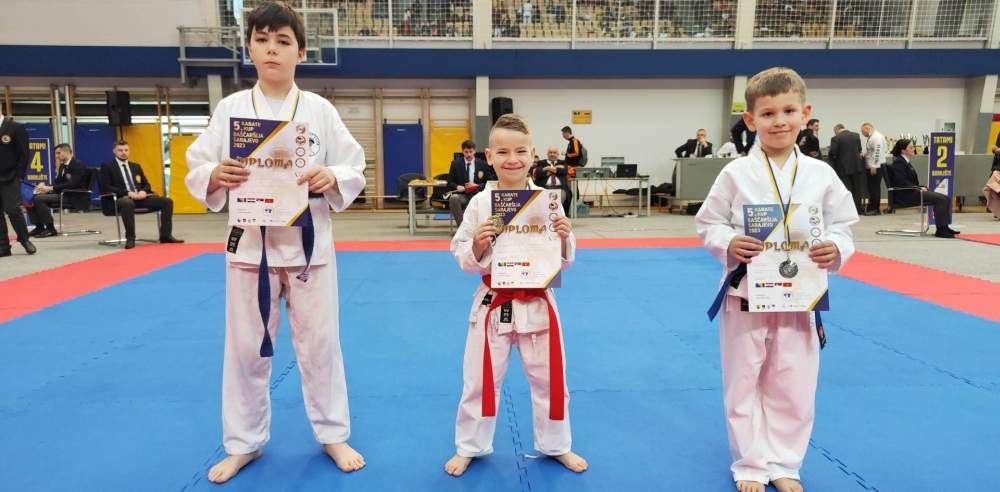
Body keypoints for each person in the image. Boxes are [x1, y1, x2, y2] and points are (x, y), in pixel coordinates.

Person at [183, 1, 367, 483]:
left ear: (300, 52)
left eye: (283, 41)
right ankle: (243, 443)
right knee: (245, 349)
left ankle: (332, 434)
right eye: (262, 40)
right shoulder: (230, 110)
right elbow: (197, 164)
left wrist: (332, 175)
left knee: (320, 346)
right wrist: (215, 174)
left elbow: (354, 165)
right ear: (249, 48)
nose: (272, 49)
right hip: (250, 249)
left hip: (309, 249)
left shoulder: (320, 110)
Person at [696, 67, 858, 492]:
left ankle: (785, 463)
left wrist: (837, 249)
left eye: (788, 111)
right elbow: (709, 222)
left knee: (794, 381)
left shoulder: (821, 174)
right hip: (745, 293)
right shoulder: (735, 173)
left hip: (801, 295)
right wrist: (729, 242)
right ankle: (750, 463)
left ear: (805, 113)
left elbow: (843, 226)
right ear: (751, 120)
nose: (779, 121)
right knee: (743, 379)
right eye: (768, 114)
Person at [443, 114, 588, 477]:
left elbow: (565, 260)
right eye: (503, 152)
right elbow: (461, 253)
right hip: (494, 302)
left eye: (521, 151)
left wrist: (565, 236)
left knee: (550, 379)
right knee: (479, 379)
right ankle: (470, 446)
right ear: (489, 156)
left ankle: (556, 444)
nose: (513, 159)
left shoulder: (547, 201)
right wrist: (477, 245)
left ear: (533, 154)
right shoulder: (480, 203)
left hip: (538, 301)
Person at [99, 140, 184, 249]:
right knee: (127, 203)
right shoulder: (107, 166)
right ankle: (130, 238)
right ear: (114, 152)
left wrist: (144, 191)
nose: (124, 152)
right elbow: (106, 187)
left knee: (167, 201)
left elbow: (146, 184)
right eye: (120, 150)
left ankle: (165, 236)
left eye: (126, 150)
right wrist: (127, 193)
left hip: (139, 198)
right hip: (120, 199)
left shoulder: (135, 166)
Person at [887, 139, 961, 238]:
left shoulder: (904, 162)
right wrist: (918, 188)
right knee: (941, 200)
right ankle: (941, 230)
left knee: (946, 198)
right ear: (903, 150)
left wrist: (920, 187)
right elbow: (901, 182)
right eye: (911, 147)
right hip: (906, 195)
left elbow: (907, 181)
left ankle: (944, 227)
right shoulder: (899, 163)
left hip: (911, 192)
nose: (913, 149)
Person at [28, 143, 87, 237]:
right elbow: (57, 183)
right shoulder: (63, 166)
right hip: (63, 194)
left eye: (58, 153)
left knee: (39, 199)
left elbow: (72, 184)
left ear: (67, 152)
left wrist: (51, 188)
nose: (56, 156)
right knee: (31, 198)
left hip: (74, 196)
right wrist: (44, 187)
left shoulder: (78, 165)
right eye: (56, 153)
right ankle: (39, 227)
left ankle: (51, 229)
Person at [0, 111, 36, 257]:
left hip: (10, 177)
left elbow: (24, 154)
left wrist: (18, 175)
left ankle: (24, 239)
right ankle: (3, 246)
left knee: (13, 209)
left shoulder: (15, 127)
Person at [447, 140, 491, 226]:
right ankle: (462, 227)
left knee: (484, 200)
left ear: (475, 151)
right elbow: (449, 182)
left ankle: (480, 227)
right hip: (463, 195)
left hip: (478, 195)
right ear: (462, 151)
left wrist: (477, 185)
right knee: (453, 199)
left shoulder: (483, 164)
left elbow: (489, 182)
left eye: (471, 152)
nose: (469, 154)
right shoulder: (455, 164)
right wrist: (457, 186)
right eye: (466, 152)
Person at [828, 123, 865, 214]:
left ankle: (848, 211)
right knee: (857, 189)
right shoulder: (856, 135)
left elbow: (833, 152)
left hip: (843, 168)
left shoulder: (836, 138)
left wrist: (831, 156)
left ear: (836, 130)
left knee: (846, 189)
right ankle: (858, 209)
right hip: (856, 166)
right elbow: (859, 149)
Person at [532, 145, 572, 215]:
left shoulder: (563, 162)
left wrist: (547, 168)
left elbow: (564, 172)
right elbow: (538, 173)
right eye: (550, 152)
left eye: (554, 153)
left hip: (560, 188)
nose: (552, 154)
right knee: (543, 201)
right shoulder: (541, 162)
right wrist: (555, 169)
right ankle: (548, 216)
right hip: (544, 188)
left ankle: (557, 215)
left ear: (558, 154)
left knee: (560, 198)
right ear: (547, 154)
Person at [861, 122, 888, 215]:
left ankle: (874, 209)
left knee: (874, 188)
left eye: (862, 131)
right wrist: (864, 154)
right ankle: (872, 208)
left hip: (875, 167)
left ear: (867, 129)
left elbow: (877, 152)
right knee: (872, 188)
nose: (862, 133)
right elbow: (870, 150)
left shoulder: (876, 137)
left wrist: (874, 166)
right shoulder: (872, 137)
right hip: (874, 166)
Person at [987, 133, 1000, 218]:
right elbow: (996, 147)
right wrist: (995, 149)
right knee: (994, 188)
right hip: (997, 167)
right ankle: (996, 210)